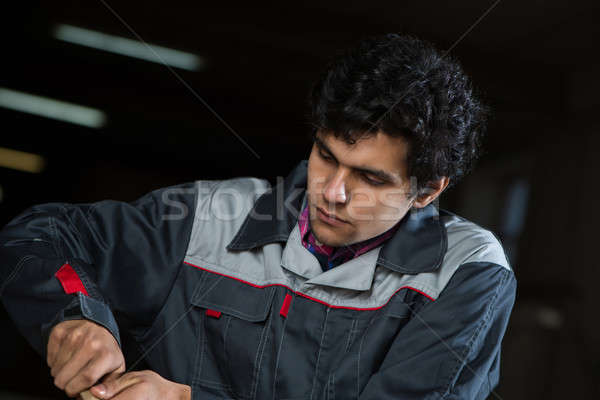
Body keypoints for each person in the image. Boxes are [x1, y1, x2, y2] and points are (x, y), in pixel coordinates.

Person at [0, 34, 516, 400]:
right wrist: (76, 316)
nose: (331, 192)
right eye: (326, 155)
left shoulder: (465, 274)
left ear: (428, 190)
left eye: (370, 178)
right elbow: (39, 237)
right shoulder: (204, 219)